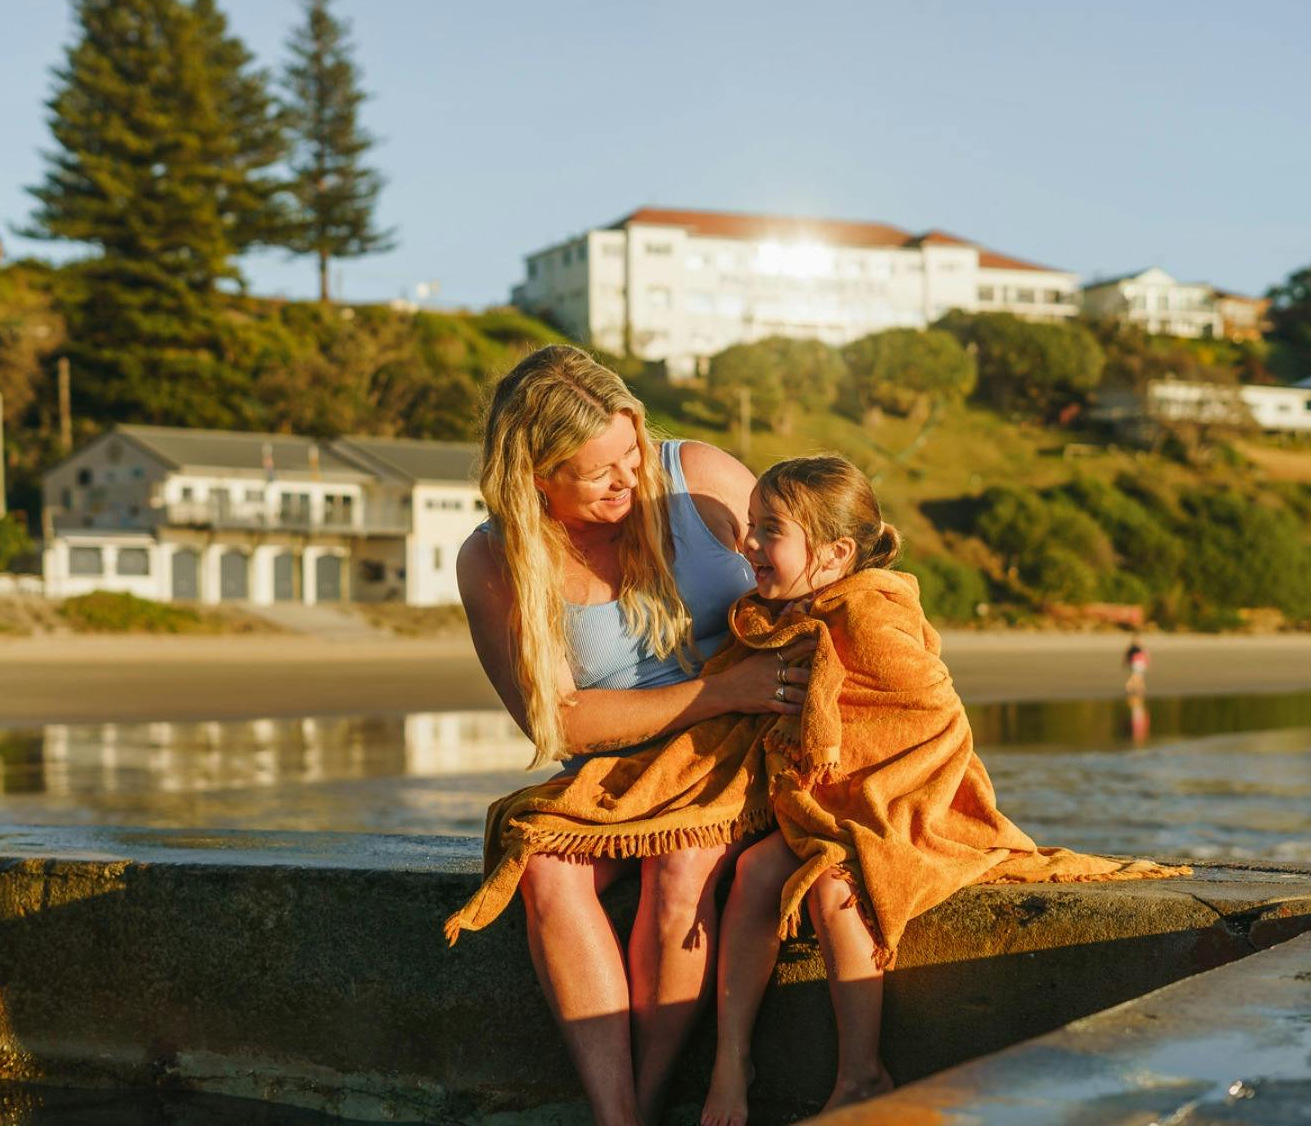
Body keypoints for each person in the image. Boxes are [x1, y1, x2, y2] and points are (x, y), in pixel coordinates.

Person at [699, 456, 1188, 1126]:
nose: (748, 543)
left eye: (769, 529)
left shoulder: (872, 618)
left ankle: (861, 1072)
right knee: (755, 873)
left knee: (837, 887)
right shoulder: (788, 614)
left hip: (901, 805)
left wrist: (882, 792)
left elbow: (935, 718)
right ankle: (731, 1061)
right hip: (829, 806)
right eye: (751, 525)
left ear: (834, 553)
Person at [455, 345, 812, 1126]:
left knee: (680, 865)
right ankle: (618, 1115)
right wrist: (714, 688)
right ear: (536, 476)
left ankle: (638, 1113)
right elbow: (560, 721)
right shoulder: (497, 559)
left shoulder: (704, 478)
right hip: (618, 769)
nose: (630, 478)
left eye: (632, 452)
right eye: (600, 472)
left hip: (746, 743)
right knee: (545, 869)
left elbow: (819, 589)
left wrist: (746, 695)